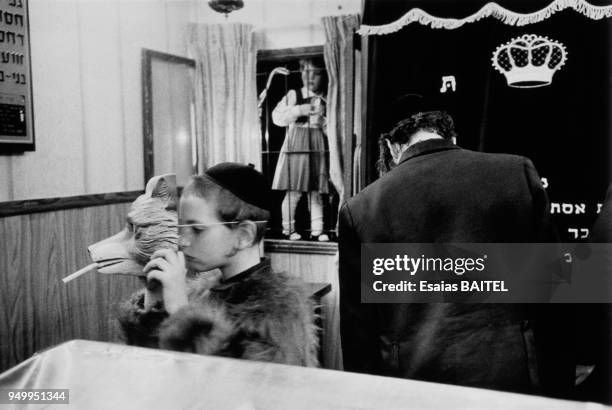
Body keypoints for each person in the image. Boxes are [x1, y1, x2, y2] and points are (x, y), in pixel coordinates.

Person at [338, 95, 573, 397]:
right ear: (452, 137)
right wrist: (561, 388)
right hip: (512, 381)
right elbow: (555, 293)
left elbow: (359, 334)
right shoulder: (516, 173)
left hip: (414, 389)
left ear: (393, 148)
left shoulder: (361, 209)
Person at [117, 162, 319, 367]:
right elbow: (160, 365)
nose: (182, 240)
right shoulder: (201, 292)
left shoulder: (279, 311)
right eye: (182, 226)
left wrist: (180, 312)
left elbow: (239, 386)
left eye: (197, 229)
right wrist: (155, 299)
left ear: (243, 235)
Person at [271, 58, 329, 241]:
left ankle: (317, 231)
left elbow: (334, 127)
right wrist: (297, 110)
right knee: (294, 191)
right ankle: (288, 230)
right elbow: (277, 118)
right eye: (306, 71)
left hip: (317, 142)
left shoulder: (326, 98)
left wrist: (324, 124)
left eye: (316, 73)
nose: (310, 77)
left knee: (316, 191)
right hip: (297, 142)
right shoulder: (294, 94)